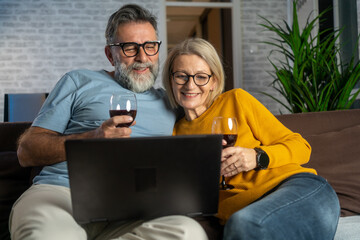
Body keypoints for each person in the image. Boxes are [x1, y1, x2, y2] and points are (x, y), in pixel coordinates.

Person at [10, 5, 208, 240]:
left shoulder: (171, 101)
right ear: (109, 53)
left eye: (150, 47)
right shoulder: (79, 81)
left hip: (135, 210)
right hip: (63, 196)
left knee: (189, 233)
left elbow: (213, 116)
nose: (142, 57)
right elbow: (27, 151)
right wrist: (92, 138)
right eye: (129, 48)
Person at [162, 38, 340, 240]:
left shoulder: (236, 100)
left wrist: (256, 157)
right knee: (242, 224)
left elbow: (302, 147)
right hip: (245, 215)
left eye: (201, 77)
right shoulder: (174, 133)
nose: (190, 85)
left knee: (244, 224)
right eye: (181, 76)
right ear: (171, 80)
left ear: (214, 82)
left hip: (297, 189)